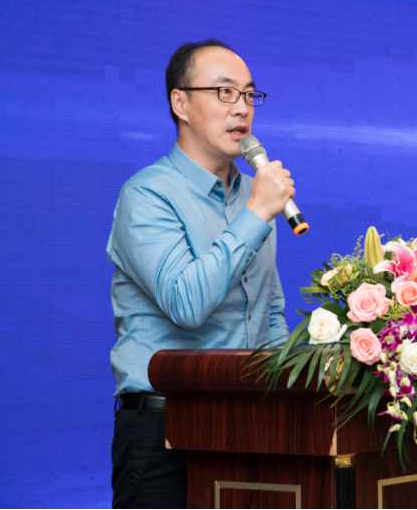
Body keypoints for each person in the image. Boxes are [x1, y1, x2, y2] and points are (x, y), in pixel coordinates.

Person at [106, 39, 294, 508]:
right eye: (224, 92)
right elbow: (186, 304)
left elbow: (269, 313)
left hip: (251, 424)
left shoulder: (253, 196)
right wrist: (256, 215)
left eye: (249, 95)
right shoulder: (147, 196)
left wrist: (295, 396)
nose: (242, 108)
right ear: (181, 103)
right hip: (164, 430)